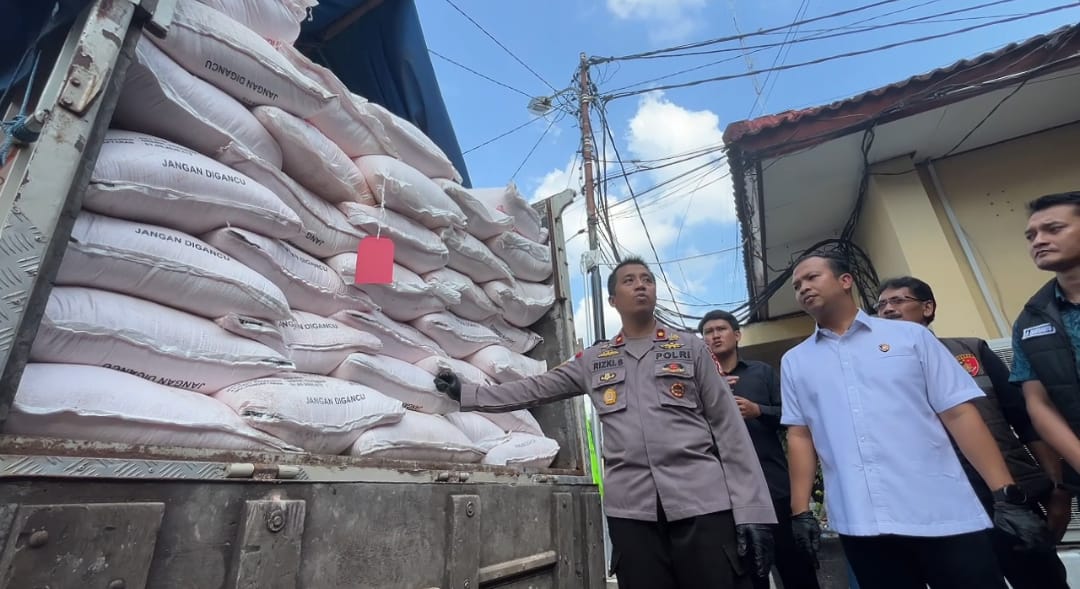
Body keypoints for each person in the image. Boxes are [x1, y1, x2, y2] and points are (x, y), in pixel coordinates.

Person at [434, 257, 776, 589]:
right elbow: (535, 388)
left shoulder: (690, 349)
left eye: (647, 280)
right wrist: (469, 393)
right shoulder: (596, 359)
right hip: (632, 513)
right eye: (630, 280)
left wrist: (753, 511)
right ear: (613, 300)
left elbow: (729, 428)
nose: (641, 285)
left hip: (704, 506)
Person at [781, 252, 1051, 589]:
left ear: (845, 281)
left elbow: (959, 413)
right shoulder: (795, 361)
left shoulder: (910, 338)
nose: (803, 288)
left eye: (812, 277)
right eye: (797, 286)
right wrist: (800, 511)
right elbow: (800, 435)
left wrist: (1006, 495)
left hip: (943, 511)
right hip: (861, 521)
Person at [877, 275, 1070, 589]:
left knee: (1041, 580)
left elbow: (1023, 420)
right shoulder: (873, 373)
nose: (887, 309)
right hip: (945, 510)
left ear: (927, 308)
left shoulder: (971, 351)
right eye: (881, 305)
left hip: (1008, 498)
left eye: (898, 300)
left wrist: (1058, 489)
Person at [699, 309, 821, 589]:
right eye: (708, 332)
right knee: (750, 574)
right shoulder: (700, 383)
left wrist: (758, 410)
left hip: (774, 487)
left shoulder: (762, 372)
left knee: (796, 568)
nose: (715, 336)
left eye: (721, 329)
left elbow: (792, 418)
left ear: (737, 335)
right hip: (729, 495)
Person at [1012, 191, 1080, 498]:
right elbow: (1039, 404)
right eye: (1031, 236)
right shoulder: (1030, 320)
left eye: (1053, 229)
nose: (1038, 241)